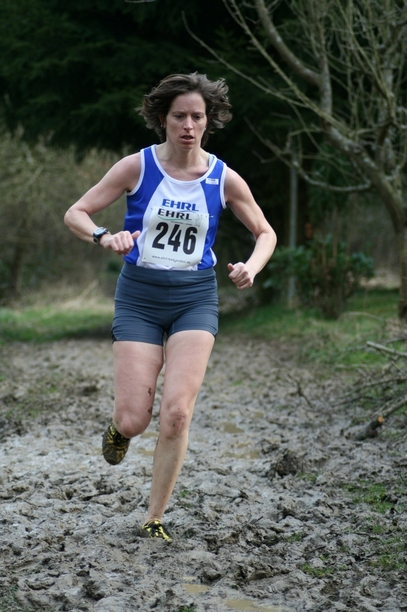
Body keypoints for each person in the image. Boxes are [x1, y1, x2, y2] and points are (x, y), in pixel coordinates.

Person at [64, 72, 277, 542]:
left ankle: (153, 517)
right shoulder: (136, 167)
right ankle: (120, 430)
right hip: (139, 297)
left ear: (209, 121)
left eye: (197, 116)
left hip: (195, 297)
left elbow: (265, 232)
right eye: (179, 116)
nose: (188, 125)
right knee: (133, 419)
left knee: (177, 413)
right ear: (163, 119)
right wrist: (104, 236)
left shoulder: (223, 178)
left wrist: (253, 267)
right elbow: (76, 212)